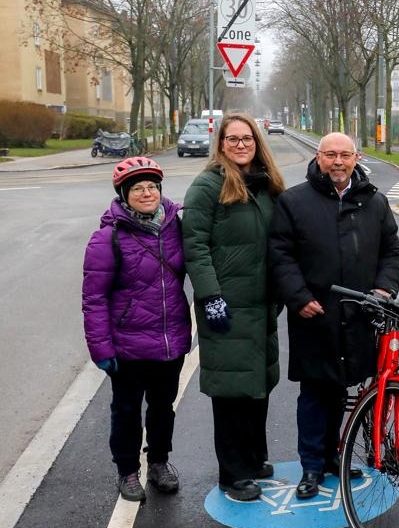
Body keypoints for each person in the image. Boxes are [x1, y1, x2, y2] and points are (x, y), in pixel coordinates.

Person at [269, 132, 399, 499]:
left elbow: (391, 251)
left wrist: (383, 290)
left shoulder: (374, 202)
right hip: (315, 314)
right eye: (330, 155)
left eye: (345, 155)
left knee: (343, 388)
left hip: (360, 313)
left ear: (356, 157)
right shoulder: (294, 201)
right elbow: (280, 254)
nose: (338, 162)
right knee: (315, 391)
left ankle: (333, 457)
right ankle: (312, 465)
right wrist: (298, 297)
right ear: (318, 157)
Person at [183, 112, 286, 501]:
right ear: (221, 144)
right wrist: (211, 296)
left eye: (247, 139)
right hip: (226, 305)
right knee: (231, 392)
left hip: (262, 303)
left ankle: (254, 458)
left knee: (258, 384)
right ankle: (233, 473)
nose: (241, 145)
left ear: (257, 143)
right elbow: (195, 246)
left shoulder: (266, 185)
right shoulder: (207, 186)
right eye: (233, 139)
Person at [81, 157, 192, 502]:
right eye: (138, 189)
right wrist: (101, 349)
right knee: (127, 410)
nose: (147, 193)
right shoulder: (107, 238)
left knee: (163, 407)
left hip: (170, 339)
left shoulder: (177, 227)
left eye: (152, 187)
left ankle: (159, 461)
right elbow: (94, 299)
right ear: (124, 195)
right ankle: (127, 470)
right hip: (128, 345)